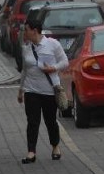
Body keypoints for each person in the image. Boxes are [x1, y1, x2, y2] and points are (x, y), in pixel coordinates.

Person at [17, 17, 68, 164]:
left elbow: (64, 62)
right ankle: (31, 152)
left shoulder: (52, 44)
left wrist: (53, 68)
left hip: (49, 91)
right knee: (32, 121)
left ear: (34, 30)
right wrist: (21, 90)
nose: (24, 33)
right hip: (31, 90)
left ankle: (55, 147)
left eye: (26, 30)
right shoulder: (26, 48)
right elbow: (24, 71)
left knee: (50, 120)